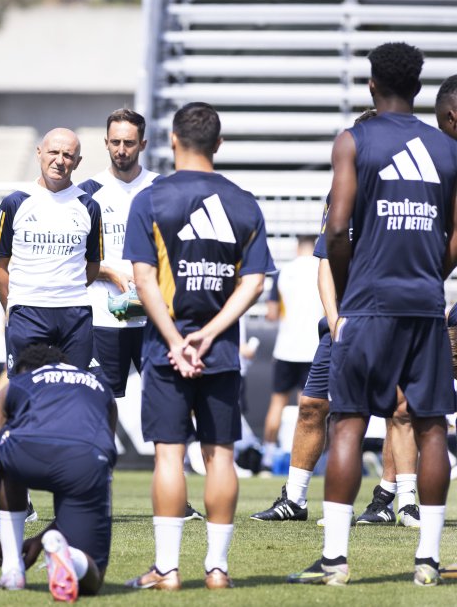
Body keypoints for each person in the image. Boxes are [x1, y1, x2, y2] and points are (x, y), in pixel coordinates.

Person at [289, 42, 457, 587]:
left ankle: (335, 560)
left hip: (368, 304)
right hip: (427, 305)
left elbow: (336, 229)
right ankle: (428, 559)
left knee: (349, 424)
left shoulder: (354, 140)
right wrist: (432, 271)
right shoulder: (448, 148)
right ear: (417, 85)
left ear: (370, 85)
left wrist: (348, 280)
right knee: (431, 429)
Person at [122, 102, 274, 591]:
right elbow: (253, 284)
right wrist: (209, 335)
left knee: (169, 456)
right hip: (222, 351)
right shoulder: (244, 202)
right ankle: (217, 569)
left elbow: (143, 280)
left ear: (171, 141)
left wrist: (174, 339)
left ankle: (167, 569)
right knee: (220, 456)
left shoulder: (151, 198)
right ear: (219, 144)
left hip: (165, 351)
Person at [0, 343, 114, 601]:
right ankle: (70, 558)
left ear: (24, 370)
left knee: (7, 453)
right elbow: (102, 464)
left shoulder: (18, 383)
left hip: (27, 453)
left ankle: (12, 568)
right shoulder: (99, 386)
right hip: (86, 459)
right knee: (92, 578)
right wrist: (46, 537)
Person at [0, 128, 102, 372]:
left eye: (68, 155)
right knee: (26, 391)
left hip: (75, 313)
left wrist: (67, 288)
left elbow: (93, 265)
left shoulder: (89, 206)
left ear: (78, 162)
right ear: (39, 152)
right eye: (53, 152)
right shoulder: (15, 203)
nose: (59, 161)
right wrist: (12, 305)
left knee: (75, 390)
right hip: (27, 311)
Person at [78, 109, 160, 397]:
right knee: (101, 403)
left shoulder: (161, 188)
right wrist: (111, 273)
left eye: (129, 143)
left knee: (164, 403)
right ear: (105, 143)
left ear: (143, 144)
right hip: (103, 318)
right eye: (115, 143)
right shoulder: (86, 193)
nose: (121, 150)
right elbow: (73, 257)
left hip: (155, 319)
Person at [260, 236, 324, 472]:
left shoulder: (283, 272)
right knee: (308, 408)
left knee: (276, 404)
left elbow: (272, 314)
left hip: (286, 348)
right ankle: (304, 463)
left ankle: (266, 458)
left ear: (297, 247)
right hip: (313, 347)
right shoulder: (321, 270)